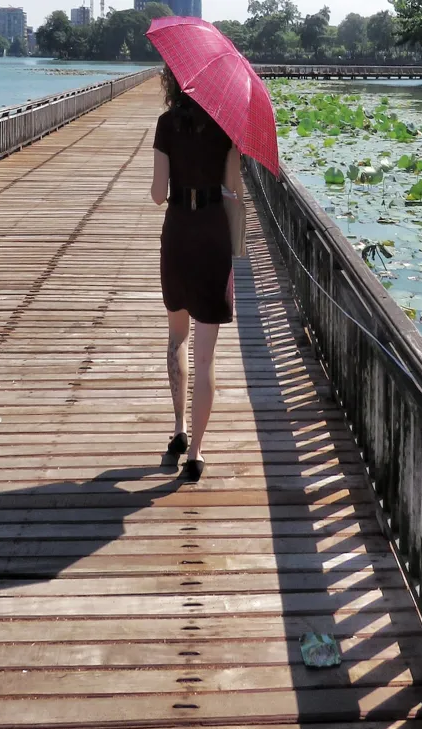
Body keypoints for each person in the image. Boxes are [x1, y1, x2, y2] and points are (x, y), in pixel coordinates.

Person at [150, 65, 243, 484]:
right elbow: (232, 190)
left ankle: (178, 430)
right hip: (211, 235)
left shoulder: (166, 125)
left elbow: (157, 195)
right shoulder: (227, 129)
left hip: (178, 232)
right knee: (206, 355)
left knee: (177, 340)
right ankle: (198, 454)